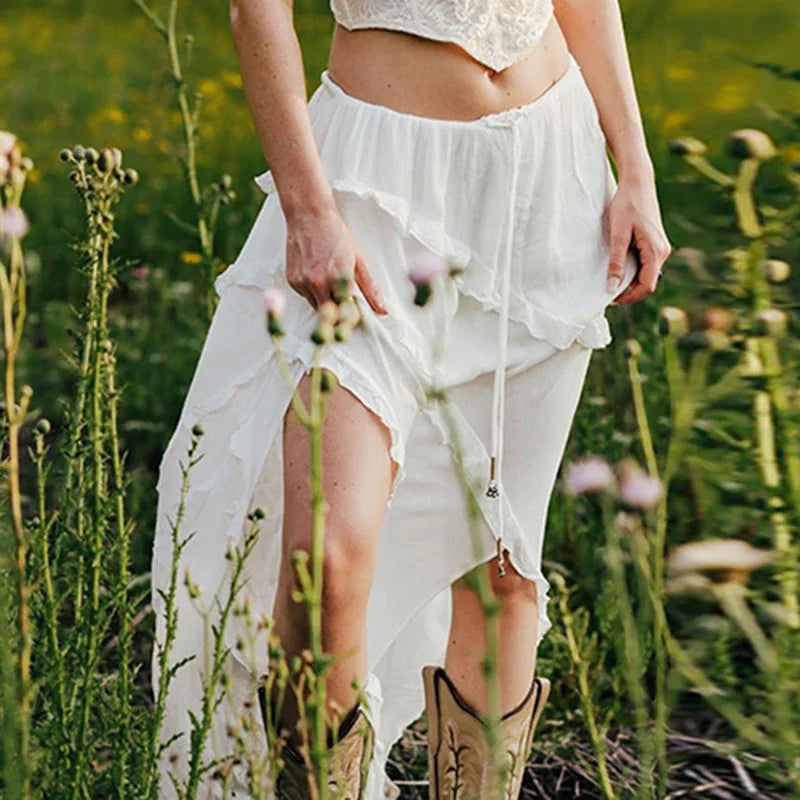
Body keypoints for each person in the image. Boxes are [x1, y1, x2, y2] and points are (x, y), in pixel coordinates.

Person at [150, 0, 672, 797]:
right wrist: (307, 208)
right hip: (372, 190)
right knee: (323, 559)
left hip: (546, 187)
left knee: (501, 565)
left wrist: (634, 166)